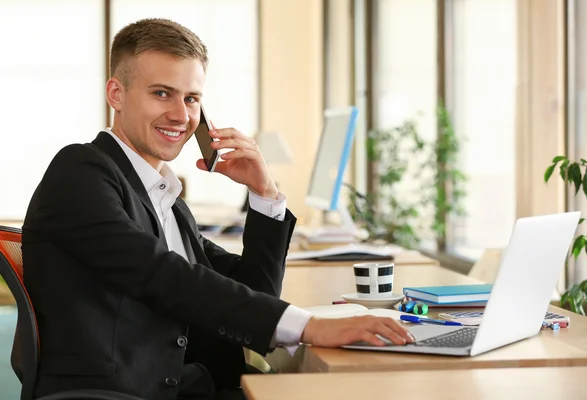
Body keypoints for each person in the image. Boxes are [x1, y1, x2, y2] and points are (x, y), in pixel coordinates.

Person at [21, 18, 413, 400]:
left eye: (191, 98)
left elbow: (254, 290)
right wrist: (309, 327)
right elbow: (164, 276)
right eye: (162, 93)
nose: (181, 115)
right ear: (116, 94)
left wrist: (265, 193)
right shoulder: (79, 173)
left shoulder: (167, 202)